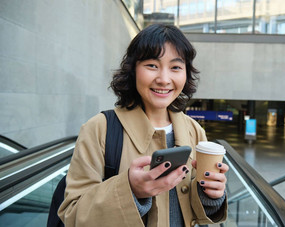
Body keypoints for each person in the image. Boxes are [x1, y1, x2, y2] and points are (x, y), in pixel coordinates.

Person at [58, 24, 229, 227]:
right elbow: (72, 214)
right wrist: (131, 190)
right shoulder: (100, 129)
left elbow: (193, 211)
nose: (164, 79)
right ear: (133, 70)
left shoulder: (194, 130)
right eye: (152, 66)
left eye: (175, 67)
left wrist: (211, 195)